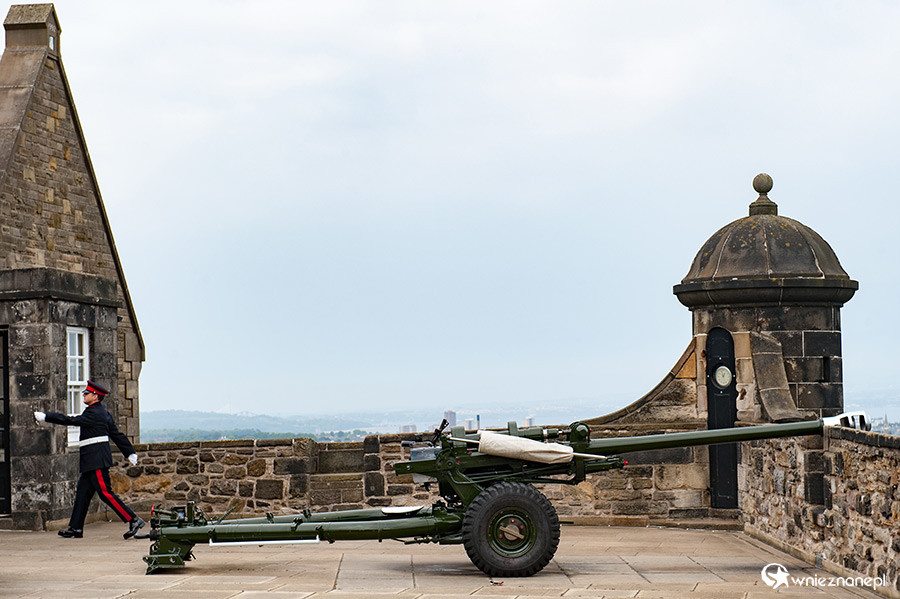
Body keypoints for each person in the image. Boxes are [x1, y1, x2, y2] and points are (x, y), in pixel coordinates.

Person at [34, 380, 145, 539]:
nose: (84, 394)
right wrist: (129, 452)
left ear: (95, 396)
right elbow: (116, 434)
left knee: (105, 494)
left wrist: (47, 417)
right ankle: (76, 528)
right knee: (82, 494)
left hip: (96, 461)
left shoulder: (93, 413)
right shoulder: (101, 412)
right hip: (91, 461)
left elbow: (70, 420)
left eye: (87, 393)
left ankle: (133, 519)